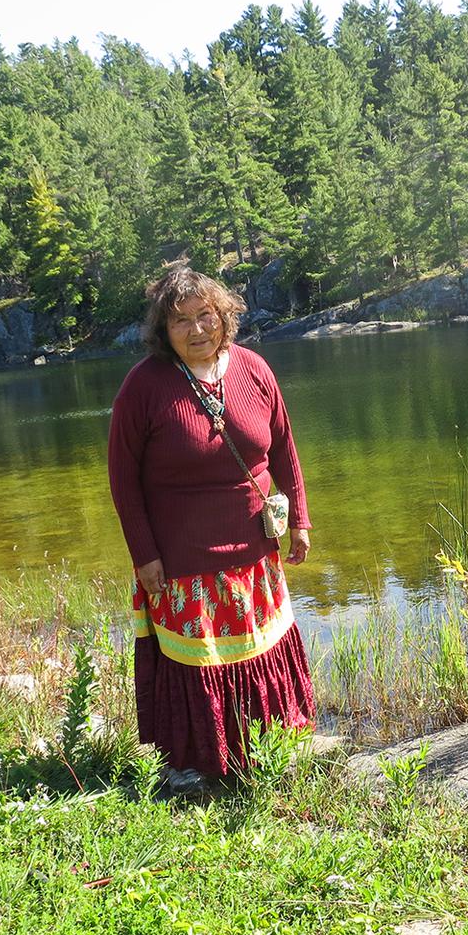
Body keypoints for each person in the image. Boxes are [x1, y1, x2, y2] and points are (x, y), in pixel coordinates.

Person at [107, 266, 315, 781]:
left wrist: (300, 521)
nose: (197, 330)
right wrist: (145, 555)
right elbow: (123, 481)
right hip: (183, 561)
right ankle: (199, 762)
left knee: (260, 645)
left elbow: (284, 446)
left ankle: (270, 747)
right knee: (199, 659)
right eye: (181, 321)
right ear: (164, 331)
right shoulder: (144, 386)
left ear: (224, 317)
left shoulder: (253, 369)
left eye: (206, 316)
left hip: (255, 553)